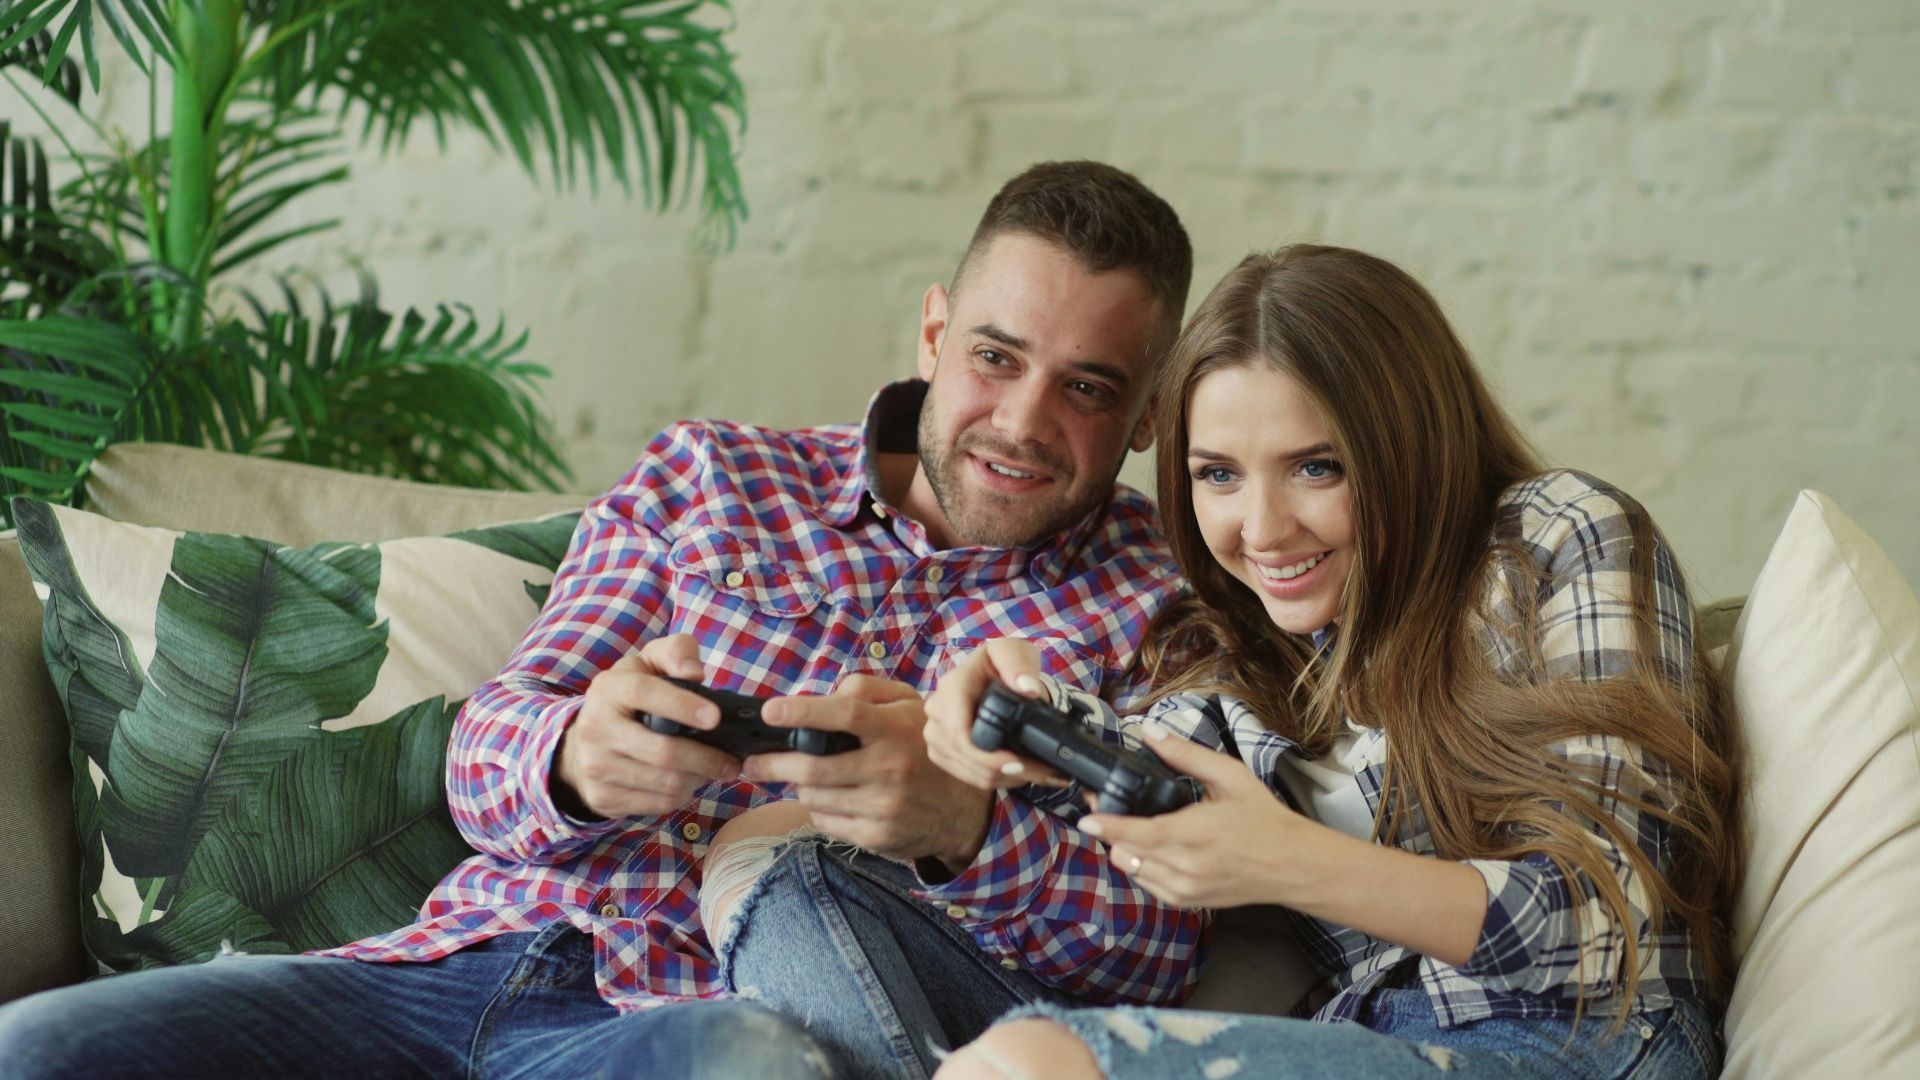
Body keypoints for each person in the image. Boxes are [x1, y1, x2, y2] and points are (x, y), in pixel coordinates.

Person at [0, 161, 1197, 1078]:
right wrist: (575, 757)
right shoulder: (717, 477)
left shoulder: (1160, 604)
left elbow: (1155, 950)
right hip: (453, 968)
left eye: (1088, 388)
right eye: (995, 357)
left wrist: (962, 828)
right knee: (42, 1051)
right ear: (935, 334)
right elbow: (484, 754)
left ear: (1148, 414)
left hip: (702, 1028)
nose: (1023, 421)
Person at [919, 245, 1744, 1079]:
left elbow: (1607, 923)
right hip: (1373, 1038)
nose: (1264, 529)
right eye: (1219, 475)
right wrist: (1023, 712)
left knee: (1028, 1064)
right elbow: (1140, 769)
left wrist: (1290, 860)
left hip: (1587, 1045)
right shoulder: (1241, 649)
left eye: (1317, 468)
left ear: (1411, 445)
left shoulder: (1556, 535)